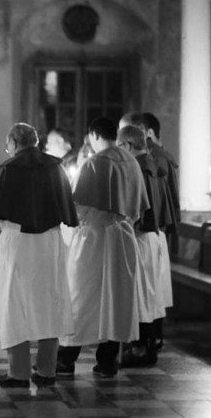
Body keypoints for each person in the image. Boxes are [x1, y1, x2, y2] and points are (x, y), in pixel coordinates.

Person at [57, 117, 149, 378]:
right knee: (116, 300)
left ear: (95, 135)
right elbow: (139, 205)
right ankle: (107, 361)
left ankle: (66, 359)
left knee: (79, 297)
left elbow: (76, 208)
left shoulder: (95, 163)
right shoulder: (130, 160)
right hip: (123, 237)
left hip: (94, 239)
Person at [0, 123, 78, 387]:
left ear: (15, 143)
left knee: (12, 303)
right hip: (50, 242)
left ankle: (19, 373)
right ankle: (47, 371)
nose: (8, 149)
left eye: (8, 144)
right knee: (49, 303)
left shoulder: (7, 169)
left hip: (17, 242)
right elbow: (66, 206)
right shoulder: (55, 167)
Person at [116, 124, 172, 367]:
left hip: (141, 236)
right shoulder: (152, 163)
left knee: (141, 294)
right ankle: (145, 346)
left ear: (128, 144)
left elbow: (136, 208)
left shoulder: (138, 167)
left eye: (120, 146)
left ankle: (141, 349)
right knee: (149, 293)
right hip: (153, 235)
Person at [142, 112, 177, 348]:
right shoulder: (155, 158)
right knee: (154, 289)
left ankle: (150, 340)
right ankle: (151, 338)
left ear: (150, 134)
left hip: (153, 230)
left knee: (152, 289)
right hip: (156, 230)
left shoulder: (155, 160)